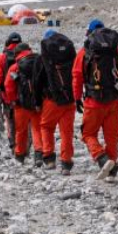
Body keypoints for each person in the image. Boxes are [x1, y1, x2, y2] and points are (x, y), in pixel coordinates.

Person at [73, 19, 118, 181]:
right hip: (113, 100)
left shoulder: (84, 52)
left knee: (88, 133)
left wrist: (76, 98)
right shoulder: (116, 51)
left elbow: (77, 76)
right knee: (112, 136)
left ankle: (102, 159)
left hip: (93, 101)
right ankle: (112, 170)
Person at [37, 29, 78, 174]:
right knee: (66, 131)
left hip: (52, 100)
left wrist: (37, 101)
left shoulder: (44, 58)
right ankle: (66, 163)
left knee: (46, 126)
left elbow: (38, 81)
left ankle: (49, 158)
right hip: (70, 99)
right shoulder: (69, 54)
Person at [4, 42, 44, 166]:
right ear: (29, 50)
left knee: (21, 131)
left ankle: (19, 156)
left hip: (21, 105)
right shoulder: (39, 62)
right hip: (38, 103)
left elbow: (8, 86)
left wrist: (13, 101)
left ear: (17, 54)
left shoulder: (15, 67)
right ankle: (38, 153)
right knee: (37, 128)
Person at [0, 32, 23, 146]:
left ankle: (13, 142)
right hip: (25, 94)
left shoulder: (3, 57)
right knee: (25, 121)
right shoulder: (27, 54)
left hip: (7, 96)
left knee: (10, 119)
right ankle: (25, 145)